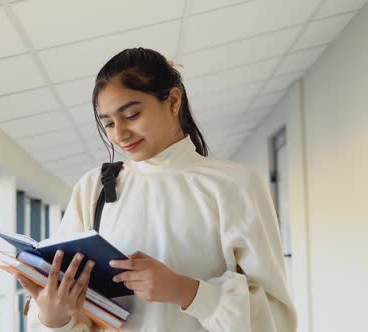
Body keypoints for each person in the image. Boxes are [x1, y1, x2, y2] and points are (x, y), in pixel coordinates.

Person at [16, 48, 297, 331]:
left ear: (173, 100)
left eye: (132, 114)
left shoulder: (235, 184)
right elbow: (72, 309)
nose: (120, 134)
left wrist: (186, 291)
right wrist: (53, 318)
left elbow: (276, 318)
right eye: (109, 123)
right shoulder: (94, 188)